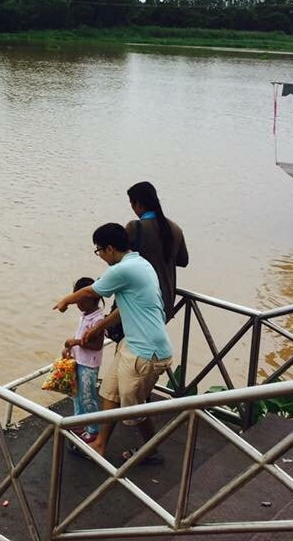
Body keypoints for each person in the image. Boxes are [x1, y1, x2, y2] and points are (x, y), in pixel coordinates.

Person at [53, 223, 172, 463]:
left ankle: (152, 450)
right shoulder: (141, 264)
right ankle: (99, 443)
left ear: (109, 249)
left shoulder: (122, 270)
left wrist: (66, 300)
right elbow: (126, 308)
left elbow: (89, 292)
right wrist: (98, 326)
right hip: (132, 344)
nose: (100, 256)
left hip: (146, 351)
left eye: (99, 251)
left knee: (133, 407)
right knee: (109, 391)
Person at [125, 182, 188, 323]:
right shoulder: (175, 228)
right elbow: (183, 261)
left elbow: (120, 260)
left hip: (141, 301)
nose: (133, 209)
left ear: (139, 204)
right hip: (166, 301)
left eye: (132, 204)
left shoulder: (135, 227)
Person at [62, 277, 105, 443]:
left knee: (88, 398)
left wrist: (76, 342)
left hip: (89, 365)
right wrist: (69, 349)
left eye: (79, 299)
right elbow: (79, 335)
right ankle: (79, 422)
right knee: (76, 395)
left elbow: (97, 345)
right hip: (78, 360)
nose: (76, 303)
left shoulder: (98, 320)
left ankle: (93, 430)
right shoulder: (85, 315)